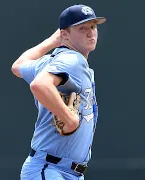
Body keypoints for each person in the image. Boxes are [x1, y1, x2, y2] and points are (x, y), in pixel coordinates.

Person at [11, 4, 106, 180]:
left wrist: (53, 41)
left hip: (59, 169)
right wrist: (69, 119)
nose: (90, 32)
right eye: (82, 28)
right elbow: (40, 85)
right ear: (65, 34)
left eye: (93, 26)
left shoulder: (50, 61)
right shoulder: (72, 60)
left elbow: (17, 66)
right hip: (51, 168)